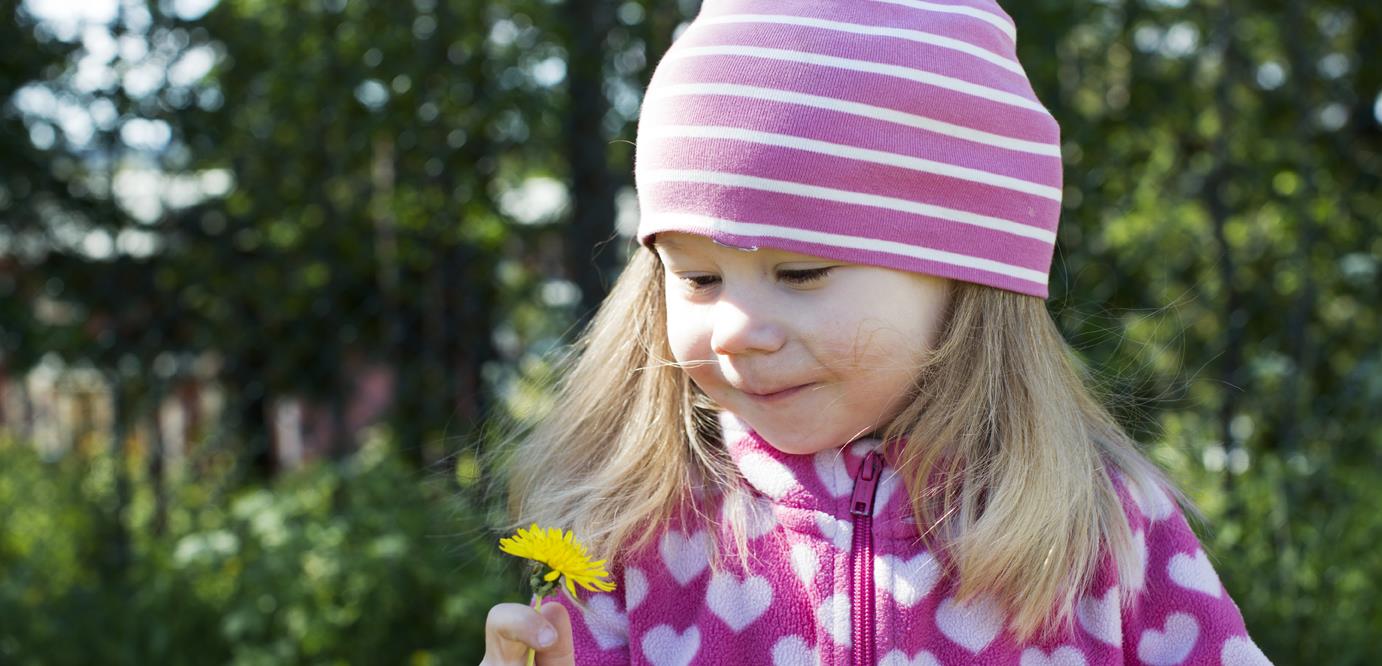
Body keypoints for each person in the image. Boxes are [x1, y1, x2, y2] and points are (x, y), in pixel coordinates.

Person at [482, 0, 1271, 663]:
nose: (735, 331)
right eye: (697, 277)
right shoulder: (639, 536)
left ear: (969, 277)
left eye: (800, 275)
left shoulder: (1102, 530)